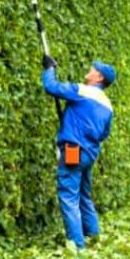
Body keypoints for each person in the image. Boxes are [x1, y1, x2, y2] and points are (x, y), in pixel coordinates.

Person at [41, 56, 116, 248]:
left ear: (98, 77)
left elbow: (52, 87)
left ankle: (78, 246)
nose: (88, 71)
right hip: (89, 154)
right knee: (84, 194)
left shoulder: (83, 91)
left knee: (68, 195)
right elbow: (104, 134)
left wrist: (49, 69)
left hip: (73, 150)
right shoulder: (108, 105)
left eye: (92, 69)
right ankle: (94, 236)